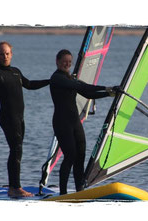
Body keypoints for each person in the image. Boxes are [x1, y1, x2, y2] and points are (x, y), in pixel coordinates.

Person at [0, 41, 50, 197]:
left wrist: (50, 81)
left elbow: (30, 84)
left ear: (11, 54)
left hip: (19, 117)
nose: (4, 56)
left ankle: (14, 186)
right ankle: (14, 188)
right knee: (16, 150)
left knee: (17, 151)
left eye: (7, 53)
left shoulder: (16, 72)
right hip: (8, 117)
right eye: (1, 54)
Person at [48, 49, 118, 195]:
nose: (67, 64)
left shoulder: (71, 79)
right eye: (64, 61)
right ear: (57, 61)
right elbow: (82, 87)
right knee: (70, 155)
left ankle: (79, 190)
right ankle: (63, 193)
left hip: (74, 121)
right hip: (62, 122)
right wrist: (105, 88)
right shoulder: (57, 78)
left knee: (80, 154)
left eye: (69, 62)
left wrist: (109, 93)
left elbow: (87, 93)